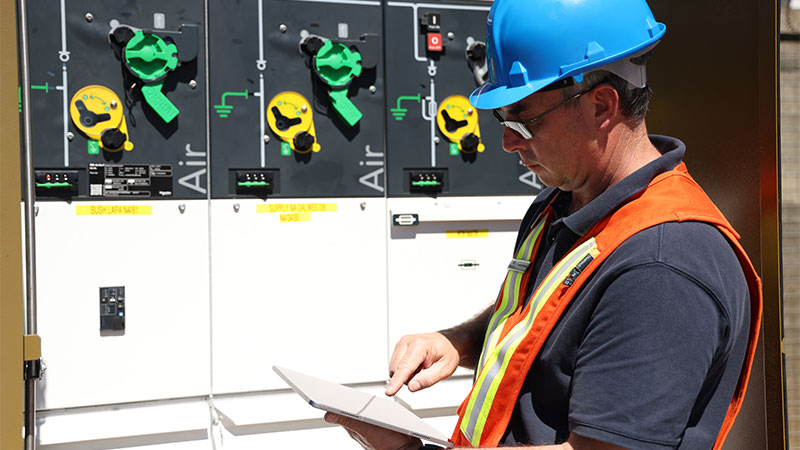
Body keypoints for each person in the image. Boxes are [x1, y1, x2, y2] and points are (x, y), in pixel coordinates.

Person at [326, 0, 762, 448]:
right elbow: (543, 328)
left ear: (602, 105)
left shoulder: (662, 265)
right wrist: (459, 342)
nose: (507, 141)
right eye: (502, 118)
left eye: (525, 119)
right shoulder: (558, 205)